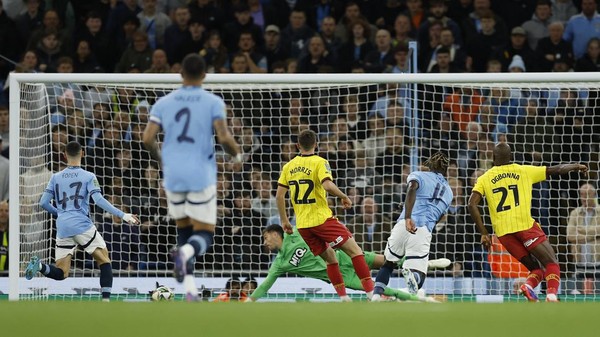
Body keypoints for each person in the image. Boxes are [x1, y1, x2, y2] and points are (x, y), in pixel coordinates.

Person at [142, 53, 242, 301]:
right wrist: (237, 156)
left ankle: (189, 291)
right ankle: (184, 256)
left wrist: (160, 157)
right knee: (205, 233)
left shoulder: (164, 102)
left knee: (184, 231)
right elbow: (224, 136)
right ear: (204, 75)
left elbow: (146, 138)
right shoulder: (213, 102)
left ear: (181, 74)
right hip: (200, 174)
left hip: (172, 175)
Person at [467, 142, 588, 302]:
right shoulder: (523, 170)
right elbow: (557, 169)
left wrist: (484, 233)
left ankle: (528, 286)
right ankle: (551, 295)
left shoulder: (484, 178)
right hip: (525, 226)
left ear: (493, 157)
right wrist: (576, 166)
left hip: (504, 234)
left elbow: (471, 204)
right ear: (511, 157)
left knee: (535, 269)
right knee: (551, 262)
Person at [26, 141, 140, 301]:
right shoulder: (88, 176)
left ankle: (38, 266)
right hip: (82, 225)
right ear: (83, 153)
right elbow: (99, 200)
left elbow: (43, 203)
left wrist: (59, 214)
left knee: (62, 273)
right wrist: (123, 215)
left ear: (64, 155)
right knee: (105, 260)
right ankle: (106, 301)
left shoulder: (55, 177)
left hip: (63, 227)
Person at [276, 129, 374, 302]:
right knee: (355, 251)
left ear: (297, 145)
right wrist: (343, 196)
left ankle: (344, 298)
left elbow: (279, 195)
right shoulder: (320, 162)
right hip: (322, 219)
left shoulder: (288, 166)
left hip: (303, 225)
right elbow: (327, 185)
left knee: (330, 260)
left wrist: (284, 220)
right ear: (316, 144)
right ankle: (372, 295)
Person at [248, 225, 446, 302]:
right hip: (341, 277)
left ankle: (426, 264)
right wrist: (249, 301)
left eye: (266, 238)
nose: (265, 243)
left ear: (275, 234)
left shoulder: (296, 233)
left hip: (345, 256)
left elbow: (319, 230)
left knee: (387, 261)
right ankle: (422, 299)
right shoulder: (280, 263)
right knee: (379, 290)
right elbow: (266, 284)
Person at [372, 152, 453, 301]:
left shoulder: (419, 175)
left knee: (388, 263)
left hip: (404, 223)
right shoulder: (449, 192)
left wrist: (408, 215)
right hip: (422, 230)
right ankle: (412, 276)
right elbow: (441, 214)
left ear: (429, 166)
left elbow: (412, 189)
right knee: (420, 275)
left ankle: (376, 294)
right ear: (445, 170)